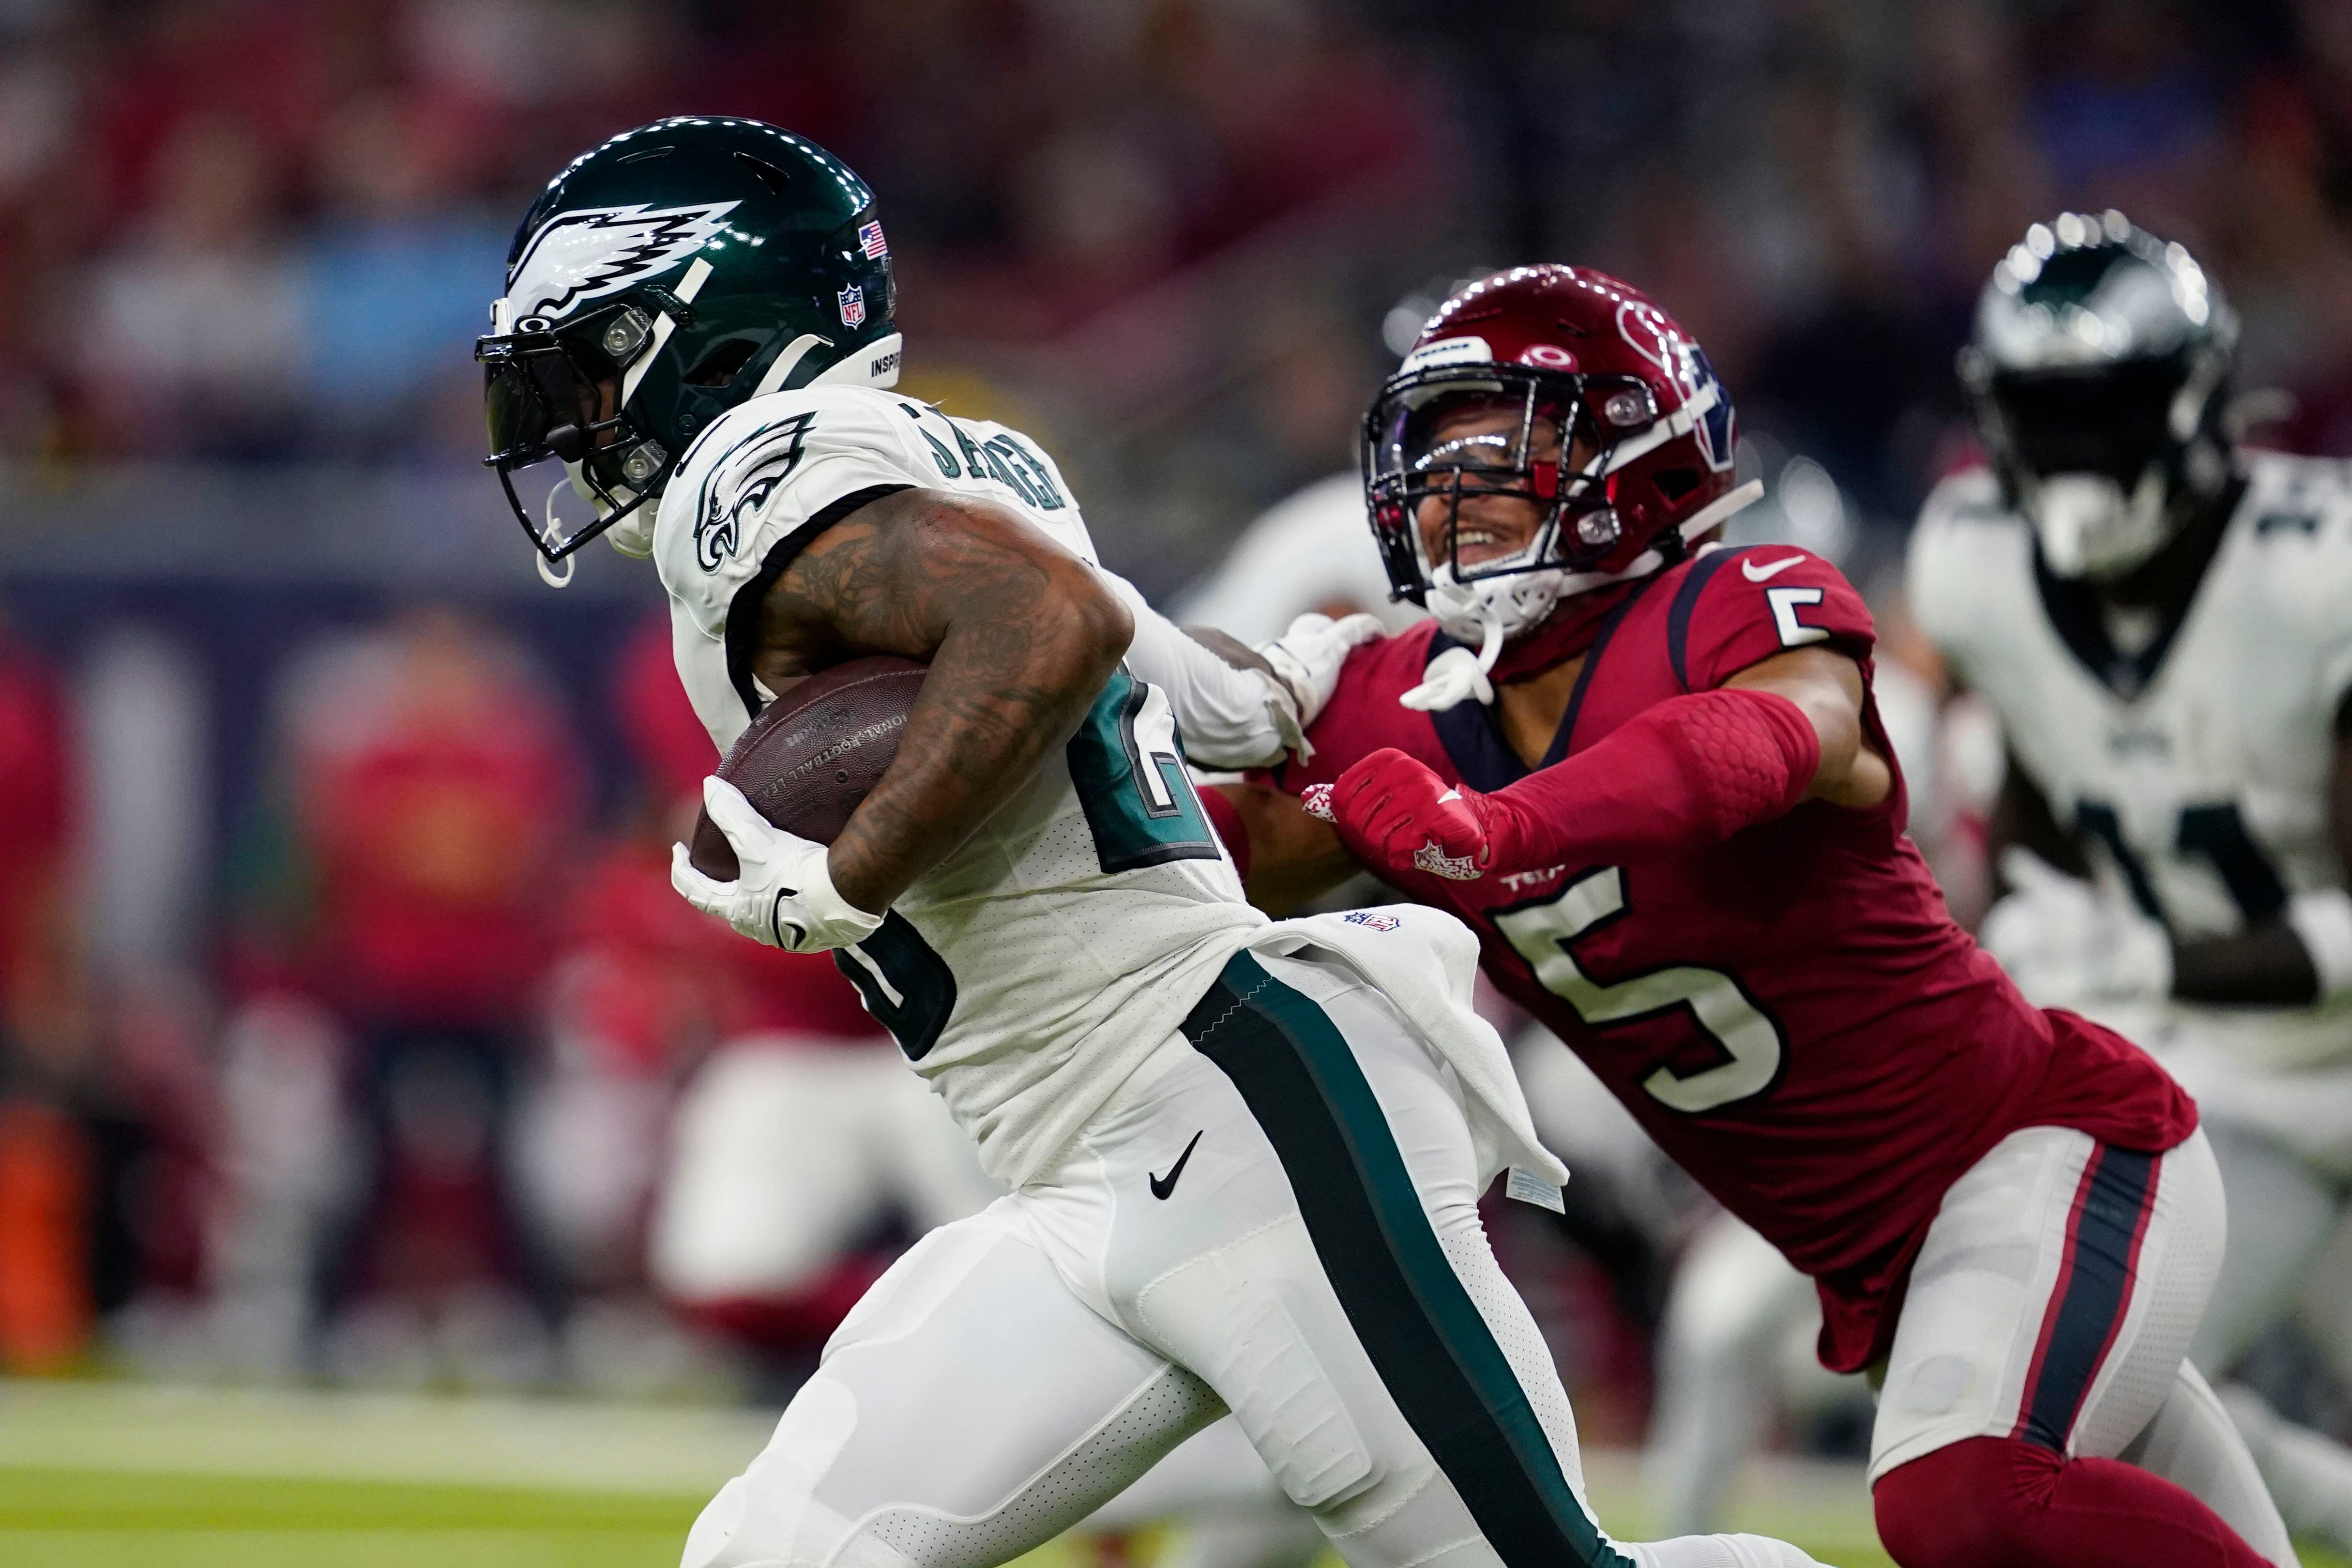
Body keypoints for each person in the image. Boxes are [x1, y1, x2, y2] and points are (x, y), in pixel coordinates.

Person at [476, 118, 1825, 1568]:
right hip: (1086, 1168)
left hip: (1230, 1103)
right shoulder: (956, 449)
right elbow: (1169, 674)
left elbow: (1048, 625)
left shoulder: (758, 465)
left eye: (602, 358)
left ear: (713, 329)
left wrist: (842, 876)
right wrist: (1279, 684)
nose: (587, 412)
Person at [1213, 262, 2295, 1568]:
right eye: (1430, 460)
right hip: (1884, 1265)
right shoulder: (1394, 700)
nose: (1449, 497)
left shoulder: (1733, 606)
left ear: (1633, 461)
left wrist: (1500, 830)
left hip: (2045, 1155)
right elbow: (1203, 868)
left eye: (1498, 455)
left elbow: (1778, 736)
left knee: (1956, 1498)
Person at [1909, 211, 2352, 1554]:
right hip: (2219, 1088)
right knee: (2107, 1396)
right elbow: (2049, 791)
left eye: (2101, 413)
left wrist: (2145, 959)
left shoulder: (2315, 571)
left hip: (2313, 1054)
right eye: (2044, 415)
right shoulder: (1973, 563)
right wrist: (2040, 908)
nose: (2071, 456)